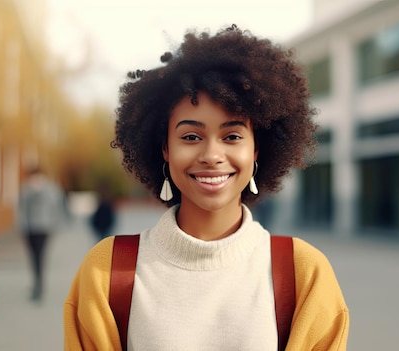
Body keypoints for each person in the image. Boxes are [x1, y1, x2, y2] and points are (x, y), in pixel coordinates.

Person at [64, 24, 349, 350]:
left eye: (232, 136)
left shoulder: (304, 275)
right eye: (190, 137)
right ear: (165, 149)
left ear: (256, 149)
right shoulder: (107, 271)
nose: (212, 156)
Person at [18, 166, 65, 302]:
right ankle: (37, 283)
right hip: (29, 229)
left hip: (43, 228)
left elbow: (56, 206)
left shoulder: (50, 189)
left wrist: (55, 226)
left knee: (40, 256)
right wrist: (22, 226)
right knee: (33, 257)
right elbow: (21, 208)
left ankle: (39, 285)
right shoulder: (26, 188)